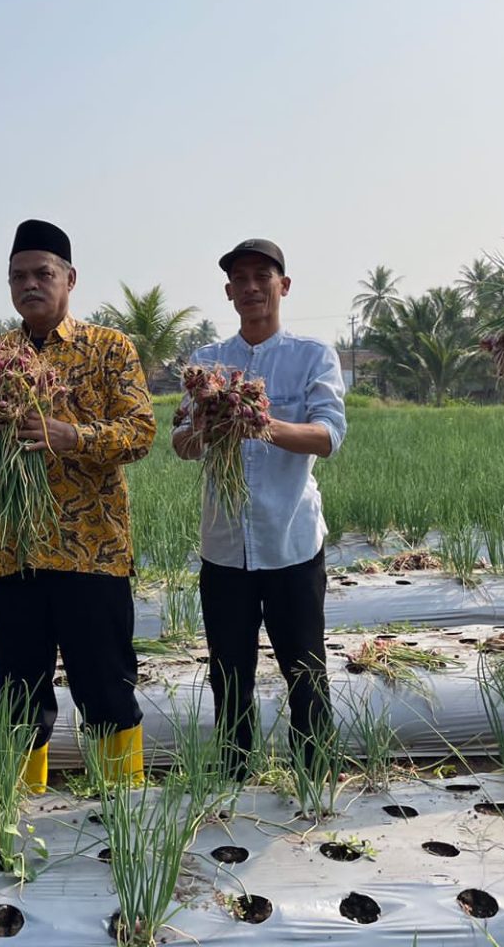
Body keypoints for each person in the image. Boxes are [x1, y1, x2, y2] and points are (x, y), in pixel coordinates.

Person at [0, 219, 156, 790]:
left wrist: (74, 437)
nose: (29, 284)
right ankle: (18, 810)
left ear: (70, 279)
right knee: (18, 695)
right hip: (14, 553)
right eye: (18, 276)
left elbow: (140, 431)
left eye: (43, 273)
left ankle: (123, 813)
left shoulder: (110, 349)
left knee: (107, 687)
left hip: (93, 551)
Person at [172, 239, 347, 780]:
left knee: (305, 669)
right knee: (228, 671)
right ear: (228, 293)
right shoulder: (206, 363)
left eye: (261, 277)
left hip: (290, 539)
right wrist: (206, 426)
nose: (251, 287)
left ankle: (315, 776)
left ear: (283, 286)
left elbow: (328, 435)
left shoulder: (312, 356)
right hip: (225, 547)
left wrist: (261, 424)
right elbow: (179, 442)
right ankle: (233, 775)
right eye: (240, 280)